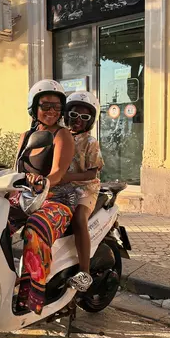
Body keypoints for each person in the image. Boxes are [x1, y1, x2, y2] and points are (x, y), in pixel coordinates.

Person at [9, 79, 77, 315]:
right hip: (26, 197)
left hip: (56, 200)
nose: (51, 111)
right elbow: (16, 168)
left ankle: (34, 296)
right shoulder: (26, 135)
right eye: (45, 105)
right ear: (34, 107)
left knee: (35, 228)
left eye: (57, 107)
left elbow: (58, 172)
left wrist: (42, 180)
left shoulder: (62, 135)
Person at [61, 91, 104, 292]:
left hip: (85, 188)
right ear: (66, 113)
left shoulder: (90, 142)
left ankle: (84, 272)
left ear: (91, 121)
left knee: (78, 219)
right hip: (60, 187)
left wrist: (68, 178)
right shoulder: (59, 135)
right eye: (74, 114)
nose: (78, 120)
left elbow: (92, 172)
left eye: (85, 117)